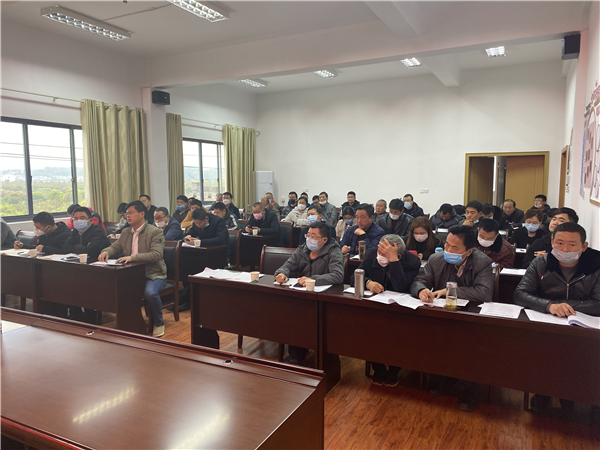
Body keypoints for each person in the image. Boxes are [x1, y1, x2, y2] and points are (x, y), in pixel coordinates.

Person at [514, 222, 600, 413]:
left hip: (582, 327)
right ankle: (543, 393)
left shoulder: (596, 266)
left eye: (572, 244)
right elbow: (520, 294)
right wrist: (550, 306)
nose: (565, 249)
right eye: (560, 243)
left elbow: (598, 302)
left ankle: (570, 395)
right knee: (543, 354)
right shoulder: (541, 263)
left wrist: (565, 306)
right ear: (552, 242)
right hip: (546, 325)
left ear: (584, 246)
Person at [410, 225, 493, 412]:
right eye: (447, 244)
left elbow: (484, 292)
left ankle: (467, 389)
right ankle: (441, 378)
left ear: (469, 251)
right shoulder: (436, 259)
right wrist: (421, 290)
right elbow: (419, 281)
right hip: (442, 315)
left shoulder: (483, 262)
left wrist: (450, 291)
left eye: (455, 248)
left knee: (469, 344)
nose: (448, 250)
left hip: (470, 318)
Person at [350, 235, 421, 387]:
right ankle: (378, 368)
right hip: (375, 307)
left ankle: (394, 370)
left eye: (385, 254)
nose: (380, 256)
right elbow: (353, 277)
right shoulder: (370, 254)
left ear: (399, 255)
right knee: (369, 331)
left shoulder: (412, 262)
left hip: (400, 310)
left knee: (398, 336)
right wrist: (368, 283)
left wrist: (394, 261)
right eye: (380, 251)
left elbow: (401, 286)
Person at [274, 221, 344, 364]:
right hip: (303, 296)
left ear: (324, 240)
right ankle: (296, 354)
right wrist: (281, 273)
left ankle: (324, 356)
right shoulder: (302, 249)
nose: (309, 239)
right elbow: (287, 265)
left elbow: (338, 275)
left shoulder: (333, 251)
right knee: (292, 314)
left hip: (324, 298)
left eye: (314, 236)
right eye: (308, 235)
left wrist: (313, 280)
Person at [99, 201, 167, 337]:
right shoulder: (126, 232)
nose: (127, 216)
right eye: (126, 213)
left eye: (131, 213)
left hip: (153, 273)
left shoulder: (154, 232)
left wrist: (132, 258)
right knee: (115, 289)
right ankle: (129, 322)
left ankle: (158, 323)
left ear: (142, 213)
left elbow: (156, 255)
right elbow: (115, 247)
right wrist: (106, 251)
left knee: (150, 293)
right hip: (130, 274)